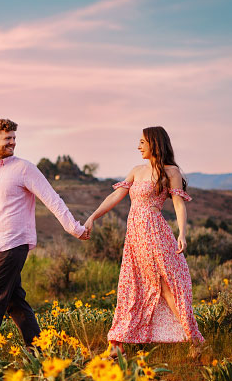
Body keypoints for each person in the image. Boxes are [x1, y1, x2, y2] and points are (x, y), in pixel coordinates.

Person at [0, 118, 90, 347]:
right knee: (14, 302)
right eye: (7, 138)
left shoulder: (24, 169)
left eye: (14, 138)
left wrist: (74, 228)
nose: (12, 143)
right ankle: (39, 350)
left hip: (14, 244)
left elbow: (52, 199)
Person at [84, 126, 205, 356]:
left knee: (166, 287)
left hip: (155, 234)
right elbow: (115, 196)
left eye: (142, 142)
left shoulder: (171, 172)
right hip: (135, 237)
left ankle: (195, 341)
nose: (138, 146)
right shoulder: (136, 170)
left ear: (154, 143)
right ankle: (116, 345)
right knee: (130, 286)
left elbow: (179, 204)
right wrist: (92, 217)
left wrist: (182, 233)